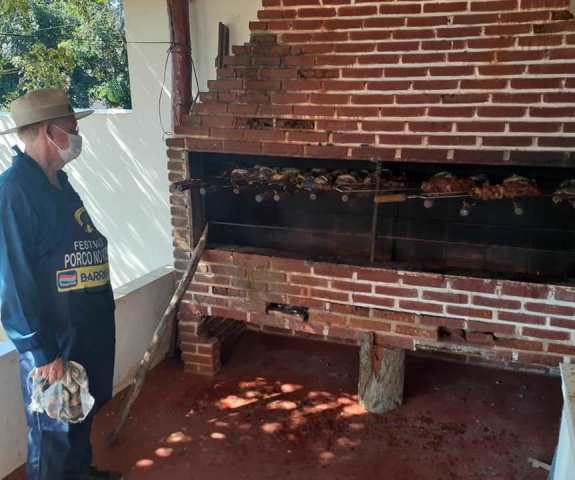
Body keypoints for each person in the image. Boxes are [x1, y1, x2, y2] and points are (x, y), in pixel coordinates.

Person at [0, 89, 120, 480]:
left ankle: (81, 474)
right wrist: (41, 350)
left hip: (85, 329)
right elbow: (13, 280)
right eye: (72, 127)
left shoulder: (59, 183)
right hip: (55, 343)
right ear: (50, 131)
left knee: (80, 415)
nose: (77, 135)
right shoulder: (14, 192)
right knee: (53, 431)